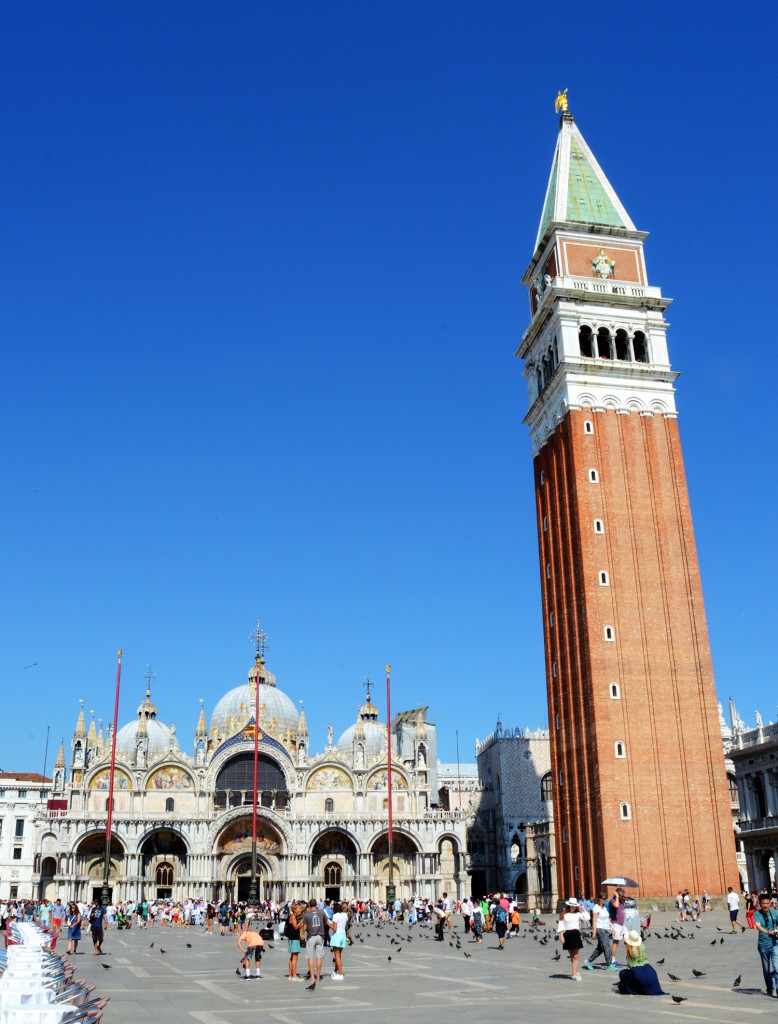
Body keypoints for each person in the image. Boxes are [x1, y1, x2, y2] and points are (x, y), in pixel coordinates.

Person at [616, 930, 665, 995]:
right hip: (649, 969)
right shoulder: (642, 946)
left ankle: (631, 989)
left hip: (637, 971)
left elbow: (630, 966)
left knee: (622, 974)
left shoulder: (631, 950)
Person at [558, 898, 590, 981]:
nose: (573, 907)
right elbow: (561, 925)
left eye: (575, 906)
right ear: (569, 905)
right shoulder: (563, 914)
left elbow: (587, 917)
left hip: (575, 934)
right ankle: (575, 971)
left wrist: (583, 909)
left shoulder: (578, 914)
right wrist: (561, 936)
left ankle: (574, 975)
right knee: (572, 956)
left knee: (575, 956)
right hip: (567, 935)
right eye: (572, 906)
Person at [753, 893, 778, 997]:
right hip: (763, 945)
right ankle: (769, 988)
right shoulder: (757, 914)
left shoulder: (774, 913)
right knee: (766, 969)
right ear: (760, 903)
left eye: (767, 903)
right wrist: (767, 932)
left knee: (777, 967)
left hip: (774, 944)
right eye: (763, 903)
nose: (765, 906)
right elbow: (758, 926)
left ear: (770, 903)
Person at [584, 893, 614, 970]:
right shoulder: (596, 908)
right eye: (604, 898)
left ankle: (589, 961)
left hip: (605, 929)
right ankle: (610, 964)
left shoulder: (604, 908)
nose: (605, 900)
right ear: (599, 899)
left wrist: (612, 927)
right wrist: (594, 932)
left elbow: (607, 919)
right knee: (606, 946)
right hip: (599, 929)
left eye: (606, 899)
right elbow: (594, 921)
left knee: (600, 948)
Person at [302, 899, 326, 990]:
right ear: (316, 904)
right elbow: (326, 922)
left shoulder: (306, 914)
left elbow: (304, 928)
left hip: (311, 937)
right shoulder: (321, 912)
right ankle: (318, 977)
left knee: (310, 957)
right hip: (320, 936)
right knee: (319, 957)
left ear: (309, 905)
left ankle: (312, 977)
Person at [328, 901, 349, 980]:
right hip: (343, 935)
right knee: (339, 956)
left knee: (337, 956)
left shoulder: (335, 915)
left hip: (337, 935)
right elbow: (345, 924)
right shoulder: (345, 914)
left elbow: (334, 928)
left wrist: (328, 924)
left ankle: (340, 974)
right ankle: (335, 972)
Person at [607, 887, 626, 966]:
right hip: (615, 924)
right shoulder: (613, 901)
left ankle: (630, 958)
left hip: (622, 924)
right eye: (621, 896)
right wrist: (617, 897)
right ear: (617, 895)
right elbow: (616, 905)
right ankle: (613, 960)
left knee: (627, 940)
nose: (622, 897)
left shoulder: (621, 902)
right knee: (616, 942)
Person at [285, 901, 303, 981]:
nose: (300, 910)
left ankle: (290, 975)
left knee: (292, 957)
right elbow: (295, 927)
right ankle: (294, 976)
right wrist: (302, 921)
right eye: (299, 909)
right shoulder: (293, 916)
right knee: (295, 957)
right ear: (295, 910)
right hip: (294, 938)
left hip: (292, 938)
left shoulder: (292, 916)